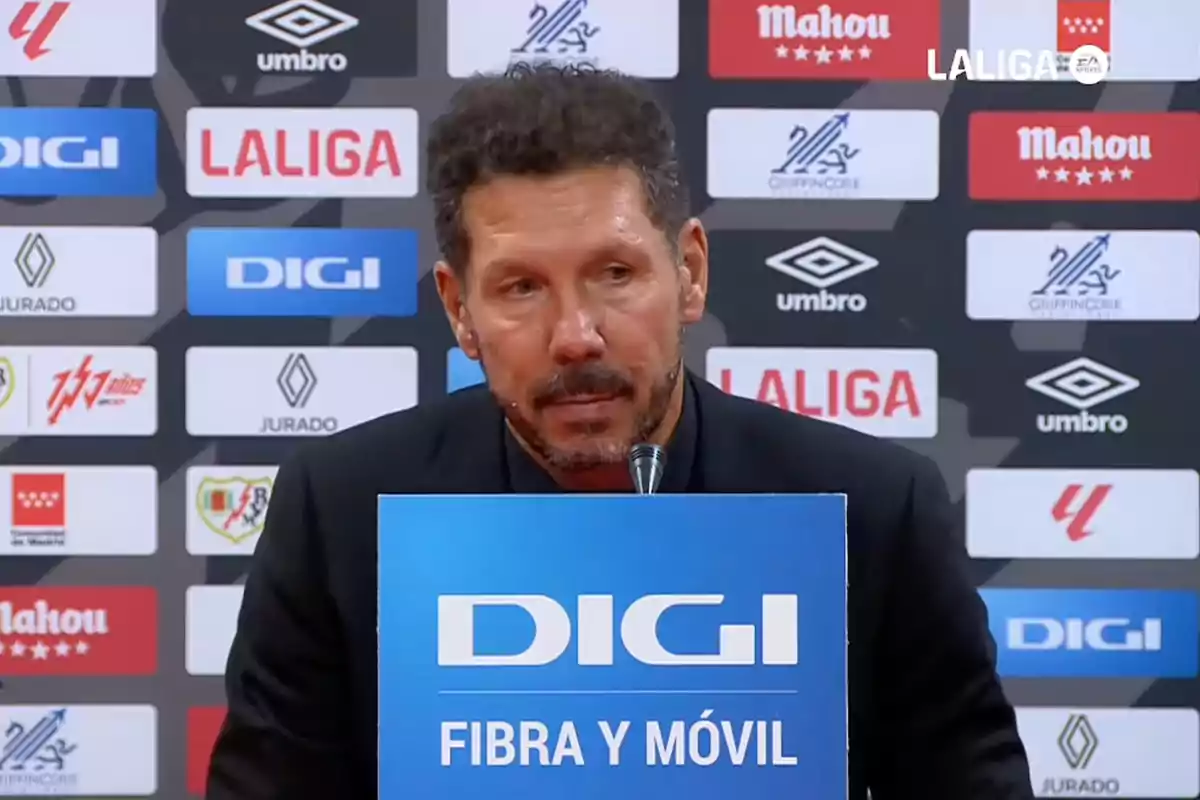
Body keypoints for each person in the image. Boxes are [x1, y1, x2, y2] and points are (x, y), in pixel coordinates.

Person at [205, 62, 1034, 799]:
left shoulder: (873, 511)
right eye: (522, 287)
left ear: (690, 273)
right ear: (460, 310)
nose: (576, 335)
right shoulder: (342, 512)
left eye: (614, 273)